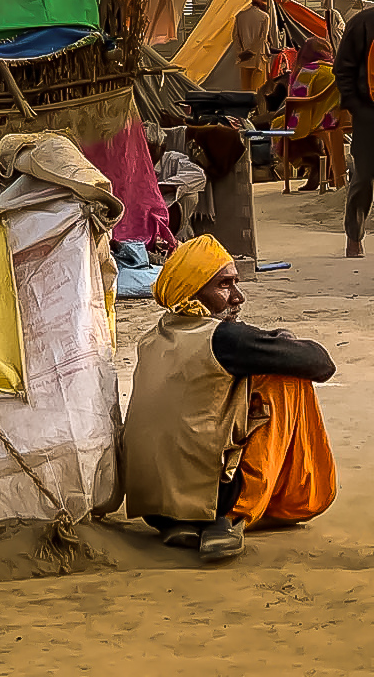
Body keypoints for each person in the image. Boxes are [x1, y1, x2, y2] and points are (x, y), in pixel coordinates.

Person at [123, 236, 337, 562]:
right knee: (286, 380)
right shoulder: (224, 338)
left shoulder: (152, 339)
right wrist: (283, 339)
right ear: (192, 291)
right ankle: (233, 516)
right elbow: (321, 363)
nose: (237, 297)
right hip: (215, 498)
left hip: (155, 509)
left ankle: (180, 522)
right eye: (225, 285)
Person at [271, 38, 339, 192]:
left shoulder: (309, 70)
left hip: (315, 120)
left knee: (278, 124)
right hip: (334, 118)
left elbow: (296, 100)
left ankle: (310, 161)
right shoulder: (334, 69)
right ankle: (318, 165)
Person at [334, 7, 374, 257]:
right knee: (364, 175)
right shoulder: (363, 23)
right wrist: (355, 105)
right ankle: (354, 236)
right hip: (369, 112)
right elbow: (343, 68)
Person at [233, 0, 271, 92]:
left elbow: (235, 37)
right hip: (258, 59)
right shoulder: (265, 17)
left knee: (245, 91)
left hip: (244, 60)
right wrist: (252, 52)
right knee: (258, 91)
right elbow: (262, 38)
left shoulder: (240, 16)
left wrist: (241, 53)